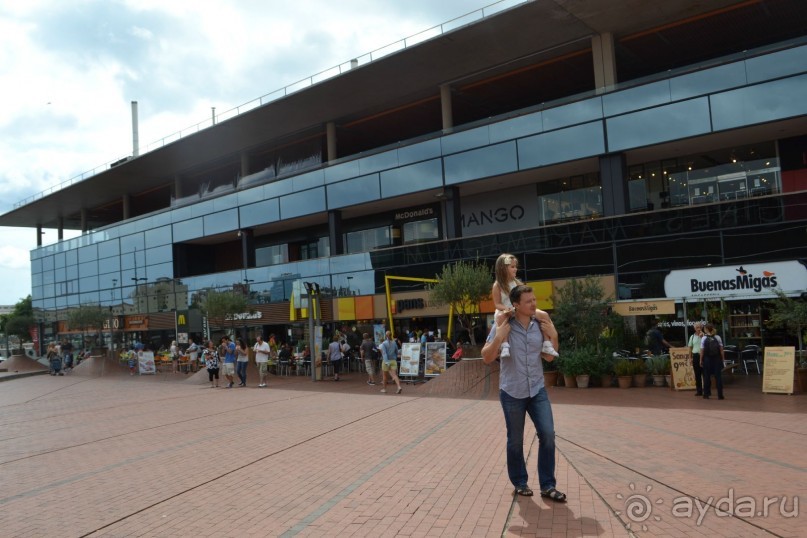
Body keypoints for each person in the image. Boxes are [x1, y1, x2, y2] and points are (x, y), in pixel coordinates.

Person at [482, 284, 566, 502]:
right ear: (516, 305)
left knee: (548, 434)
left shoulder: (540, 324)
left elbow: (550, 357)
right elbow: (486, 357)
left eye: (534, 300)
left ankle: (548, 485)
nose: (534, 304)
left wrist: (554, 336)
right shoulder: (503, 324)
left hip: (537, 390)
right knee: (515, 440)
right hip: (512, 392)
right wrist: (499, 337)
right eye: (528, 301)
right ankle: (520, 482)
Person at [492, 253, 558, 360]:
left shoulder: (517, 283)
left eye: (515, 267)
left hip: (519, 309)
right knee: (501, 318)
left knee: (544, 314)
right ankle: (505, 345)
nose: (515, 269)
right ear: (503, 268)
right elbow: (497, 303)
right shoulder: (497, 285)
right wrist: (506, 309)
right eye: (512, 267)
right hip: (506, 310)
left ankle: (547, 343)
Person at [700, 323, 725, 400]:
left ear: (706, 329)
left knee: (707, 376)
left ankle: (706, 394)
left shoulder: (704, 338)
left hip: (707, 359)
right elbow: (721, 350)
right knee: (718, 377)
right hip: (717, 359)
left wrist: (701, 360)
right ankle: (720, 395)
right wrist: (722, 359)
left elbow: (702, 350)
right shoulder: (718, 337)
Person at [688, 322, 705, 396]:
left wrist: (702, 337)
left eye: (700, 327)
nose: (699, 329)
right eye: (697, 327)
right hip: (695, 356)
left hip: (704, 356)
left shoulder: (705, 336)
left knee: (705, 374)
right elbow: (690, 348)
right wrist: (690, 358)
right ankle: (699, 390)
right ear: (694, 328)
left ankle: (706, 390)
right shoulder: (692, 337)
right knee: (697, 374)